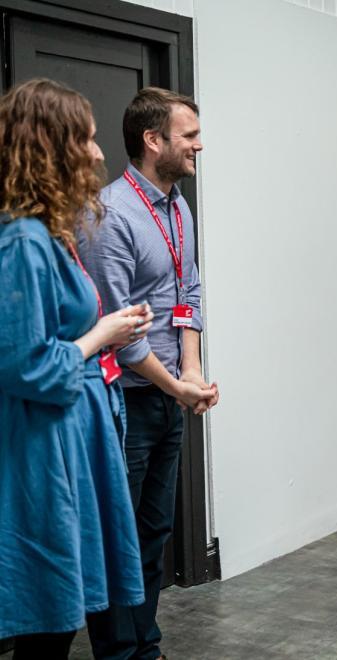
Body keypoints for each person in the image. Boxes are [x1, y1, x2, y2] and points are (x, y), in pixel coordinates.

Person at [0, 78, 154, 659]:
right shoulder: (21, 242)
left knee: (63, 613)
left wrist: (101, 332)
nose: (97, 153)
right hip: (43, 450)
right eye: (86, 140)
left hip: (72, 439)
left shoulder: (50, 234)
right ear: (52, 148)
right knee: (49, 619)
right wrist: (102, 335)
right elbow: (24, 365)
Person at [80, 87, 219, 660]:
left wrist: (191, 367)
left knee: (155, 532)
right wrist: (177, 386)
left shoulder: (177, 206)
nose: (199, 145)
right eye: (188, 135)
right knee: (120, 539)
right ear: (153, 140)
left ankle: (147, 646)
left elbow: (186, 290)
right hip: (128, 401)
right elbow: (121, 328)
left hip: (169, 396)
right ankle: (119, 653)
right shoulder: (111, 216)